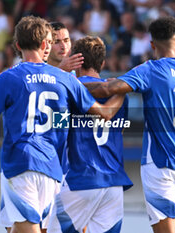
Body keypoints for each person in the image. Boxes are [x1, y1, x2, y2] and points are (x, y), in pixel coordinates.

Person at [0, 16, 125, 233]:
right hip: (51, 169)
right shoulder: (67, 80)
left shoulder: (9, 78)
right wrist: (124, 86)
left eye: (66, 40)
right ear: (46, 44)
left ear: (17, 45)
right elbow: (101, 112)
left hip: (23, 164)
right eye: (56, 41)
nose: (62, 45)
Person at [83, 16, 175, 233]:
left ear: (152, 45)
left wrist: (70, 85)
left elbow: (106, 90)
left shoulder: (150, 70)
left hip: (160, 162)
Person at [47, 36, 133, 233]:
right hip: (113, 184)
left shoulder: (68, 89)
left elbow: (57, 128)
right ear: (102, 63)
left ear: (78, 61)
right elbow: (117, 128)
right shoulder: (118, 94)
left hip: (80, 178)